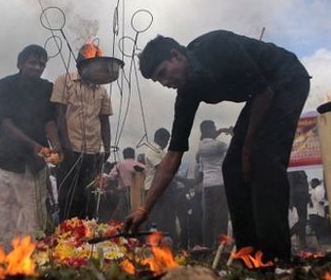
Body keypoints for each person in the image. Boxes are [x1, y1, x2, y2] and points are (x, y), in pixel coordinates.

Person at [125, 30, 310, 261]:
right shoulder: (187, 92)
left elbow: (264, 93)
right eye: (158, 80)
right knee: (232, 169)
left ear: (176, 56)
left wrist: (246, 148)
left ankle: (276, 256)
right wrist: (144, 209)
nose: (165, 83)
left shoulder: (216, 47)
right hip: (261, 95)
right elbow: (173, 155)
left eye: (163, 73)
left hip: (287, 79)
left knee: (262, 160)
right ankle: (249, 254)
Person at [0, 44, 61, 248]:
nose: (37, 67)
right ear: (20, 64)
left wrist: (55, 144)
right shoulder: (4, 85)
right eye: (32, 62)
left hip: (35, 165)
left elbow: (49, 121)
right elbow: (5, 122)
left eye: (42, 64)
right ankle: (4, 264)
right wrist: (33, 146)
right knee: (5, 217)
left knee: (33, 218)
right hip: (7, 161)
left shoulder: (47, 88)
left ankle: (33, 265)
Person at [51, 44, 112, 220]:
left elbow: (104, 120)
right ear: (80, 63)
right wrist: (66, 145)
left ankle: (86, 240)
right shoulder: (64, 81)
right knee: (68, 197)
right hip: (70, 151)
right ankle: (66, 238)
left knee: (90, 197)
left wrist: (106, 148)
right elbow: (59, 115)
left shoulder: (101, 89)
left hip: (93, 152)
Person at [194, 120, 230, 249]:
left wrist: (220, 131)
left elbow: (200, 166)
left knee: (208, 216)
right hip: (220, 184)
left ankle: (208, 245)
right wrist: (231, 133)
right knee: (222, 215)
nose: (215, 129)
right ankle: (222, 245)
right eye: (214, 127)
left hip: (207, 185)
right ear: (208, 129)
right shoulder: (218, 145)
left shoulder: (201, 146)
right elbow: (235, 147)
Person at [107, 147, 145, 221]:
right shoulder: (140, 165)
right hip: (137, 193)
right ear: (133, 155)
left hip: (123, 192)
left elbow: (111, 176)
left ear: (124, 155)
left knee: (123, 214)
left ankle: (124, 227)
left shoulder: (120, 165)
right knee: (135, 211)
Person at [288, 170, 310, 249]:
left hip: (303, 198)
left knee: (302, 221)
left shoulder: (302, 171)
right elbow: (290, 184)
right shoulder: (293, 169)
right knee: (300, 221)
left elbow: (306, 185)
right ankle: (291, 236)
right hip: (297, 197)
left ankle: (302, 242)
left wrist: (307, 196)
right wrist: (291, 201)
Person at [308, 178, 331, 246]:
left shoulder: (318, 189)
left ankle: (323, 246)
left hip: (318, 214)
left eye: (312, 183)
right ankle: (322, 246)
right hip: (316, 214)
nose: (311, 184)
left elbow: (321, 201)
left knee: (320, 232)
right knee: (319, 232)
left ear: (316, 183)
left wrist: (328, 209)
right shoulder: (315, 190)